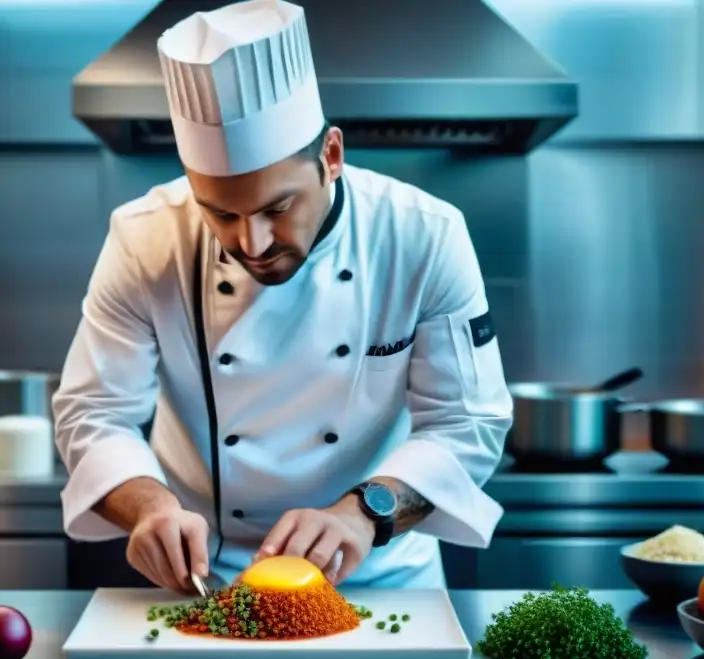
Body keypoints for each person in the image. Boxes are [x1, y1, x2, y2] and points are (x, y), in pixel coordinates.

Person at [53, 0, 513, 593]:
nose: (253, 242)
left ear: (331, 156)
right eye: (220, 213)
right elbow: (94, 412)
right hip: (202, 587)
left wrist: (367, 513)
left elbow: (467, 420)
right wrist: (148, 508)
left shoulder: (422, 235)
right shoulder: (145, 238)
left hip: (381, 579)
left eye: (278, 207)